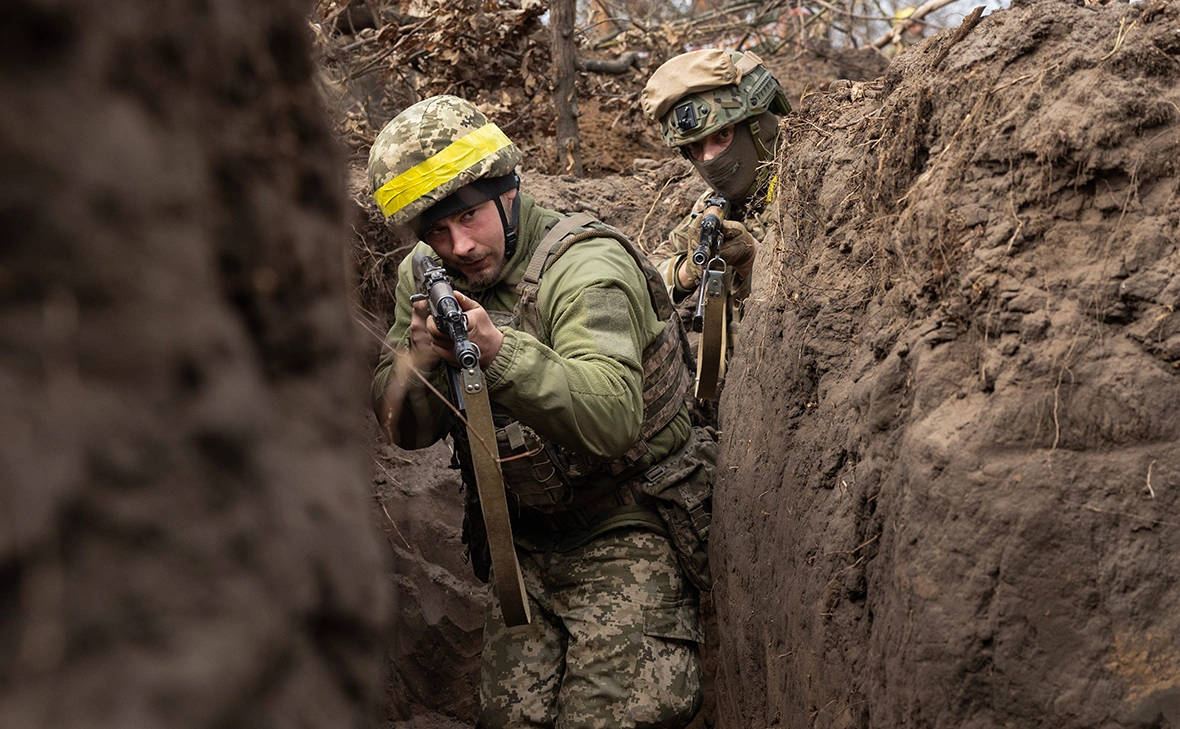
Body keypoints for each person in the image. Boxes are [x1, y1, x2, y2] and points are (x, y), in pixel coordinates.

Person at [369, 95, 716, 728]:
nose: (460, 246)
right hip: (521, 543)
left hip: (627, 520)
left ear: (508, 191)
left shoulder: (586, 266)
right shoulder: (424, 272)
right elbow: (407, 431)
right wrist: (420, 362)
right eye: (437, 231)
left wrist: (497, 355)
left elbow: (613, 418)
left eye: (470, 217)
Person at [640, 49, 792, 409]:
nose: (708, 159)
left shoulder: (807, 186)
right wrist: (686, 271)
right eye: (694, 148)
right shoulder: (713, 205)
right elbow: (643, 277)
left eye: (722, 135)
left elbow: (810, 297)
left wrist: (754, 258)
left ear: (759, 123)